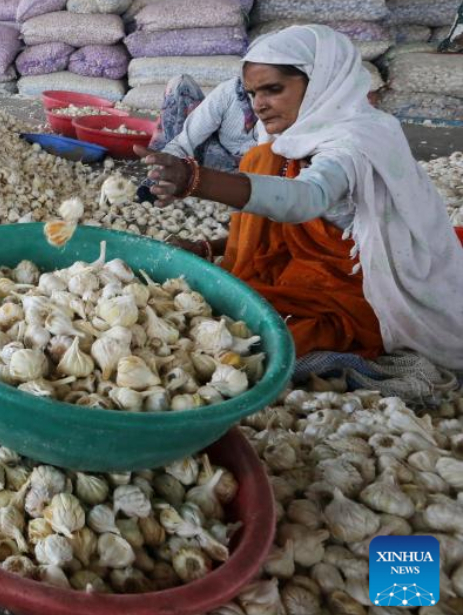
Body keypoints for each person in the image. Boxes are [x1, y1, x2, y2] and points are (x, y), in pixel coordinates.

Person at [134, 24, 463, 370]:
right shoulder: (289, 143)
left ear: (320, 81)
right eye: (252, 94)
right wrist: (208, 248)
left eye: (273, 90)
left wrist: (193, 179)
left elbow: (305, 199)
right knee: (260, 162)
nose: (259, 106)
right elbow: (286, 229)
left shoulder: (356, 142)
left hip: (366, 286)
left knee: (254, 343)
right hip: (307, 270)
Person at [137, 76, 260, 203]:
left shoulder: (278, 110)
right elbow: (186, 140)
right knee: (181, 83)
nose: (260, 101)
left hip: (256, 176)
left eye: (273, 89)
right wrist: (164, 173)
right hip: (215, 159)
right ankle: (167, 174)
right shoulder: (229, 91)